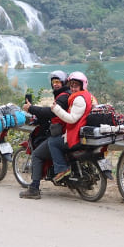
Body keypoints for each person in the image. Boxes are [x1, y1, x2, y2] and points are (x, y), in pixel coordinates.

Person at [18, 71, 71, 199]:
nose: (55, 84)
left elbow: (51, 112)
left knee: (36, 155)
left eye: (58, 82)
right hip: (66, 131)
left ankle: (34, 188)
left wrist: (31, 108)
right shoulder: (66, 95)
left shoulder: (63, 96)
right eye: (53, 82)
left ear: (64, 82)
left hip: (62, 134)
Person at [46, 71, 93, 182]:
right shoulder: (87, 95)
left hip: (75, 133)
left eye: (75, 86)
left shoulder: (79, 99)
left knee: (53, 142)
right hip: (80, 130)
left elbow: (71, 119)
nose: (72, 88)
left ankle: (62, 168)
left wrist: (56, 109)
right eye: (71, 86)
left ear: (82, 85)